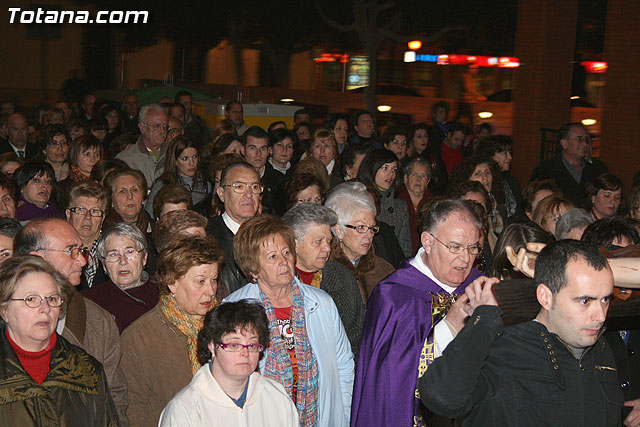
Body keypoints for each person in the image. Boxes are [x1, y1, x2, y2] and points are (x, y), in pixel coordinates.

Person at [419, 240, 623, 426]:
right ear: (545, 297)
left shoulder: (602, 351)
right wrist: (483, 323)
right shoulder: (504, 349)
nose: (600, 316)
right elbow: (441, 398)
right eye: (585, 301)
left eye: (605, 300)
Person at [351, 198, 485, 427]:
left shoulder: (477, 284)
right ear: (428, 241)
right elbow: (389, 380)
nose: (465, 259)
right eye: (455, 247)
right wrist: (449, 326)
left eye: (473, 248)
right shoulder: (393, 296)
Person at [225, 214, 354, 426]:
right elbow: (228, 382)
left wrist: (345, 416)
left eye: (286, 252)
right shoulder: (234, 311)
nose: (284, 262)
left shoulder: (321, 303)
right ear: (252, 268)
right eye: (272, 257)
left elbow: (344, 365)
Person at [13, 218, 128, 422]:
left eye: (81, 251)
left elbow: (114, 399)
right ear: (37, 259)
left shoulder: (99, 321)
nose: (83, 261)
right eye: (71, 251)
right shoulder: (8, 317)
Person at [0, 255, 119, 424]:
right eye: (31, 299)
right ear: (5, 309)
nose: (45, 308)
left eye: (52, 299)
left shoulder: (87, 370)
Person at [120, 236, 223, 426]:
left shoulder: (225, 324)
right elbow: (133, 408)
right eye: (200, 281)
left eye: (214, 280)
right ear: (172, 282)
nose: (210, 290)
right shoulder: (139, 337)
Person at [159, 300, 299, 426]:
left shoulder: (276, 397)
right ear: (212, 346)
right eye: (234, 345)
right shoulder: (185, 408)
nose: (245, 353)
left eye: (252, 345)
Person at [282, 203, 364, 356]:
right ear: (294, 244)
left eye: (328, 241)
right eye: (318, 241)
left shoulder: (342, 278)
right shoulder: (278, 281)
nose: (327, 248)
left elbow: (356, 339)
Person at [82, 223, 159, 333]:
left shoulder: (162, 296)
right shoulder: (88, 302)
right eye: (113, 254)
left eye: (130, 252)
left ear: (144, 258)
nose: (122, 261)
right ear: (104, 264)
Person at [325, 181, 395, 302]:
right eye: (360, 227)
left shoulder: (384, 271)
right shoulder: (323, 271)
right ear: (339, 230)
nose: (369, 235)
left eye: (372, 228)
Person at [207, 162, 261, 294]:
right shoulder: (206, 235)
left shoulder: (271, 234)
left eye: (254, 187)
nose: (249, 195)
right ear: (221, 193)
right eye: (239, 187)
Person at [531, 122, 608, 207]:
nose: (585, 144)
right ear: (564, 143)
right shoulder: (546, 171)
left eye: (586, 140)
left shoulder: (596, 170)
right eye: (579, 139)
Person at [357, 148, 412, 257]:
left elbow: (405, 250)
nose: (390, 174)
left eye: (394, 169)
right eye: (385, 168)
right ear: (372, 168)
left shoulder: (400, 207)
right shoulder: (359, 202)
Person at [145, 135, 212, 218]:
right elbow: (149, 216)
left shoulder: (206, 186)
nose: (192, 163)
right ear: (175, 161)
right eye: (185, 159)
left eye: (195, 157)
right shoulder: (162, 185)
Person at [65, 182, 109, 289]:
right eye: (81, 210)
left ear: (102, 218)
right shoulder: (56, 250)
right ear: (68, 214)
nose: (88, 217)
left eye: (94, 211)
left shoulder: (111, 250)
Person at [475, 134, 525, 223]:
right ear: (490, 155)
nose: (510, 157)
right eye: (504, 153)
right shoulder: (483, 183)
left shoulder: (512, 182)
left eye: (510, 152)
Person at [116, 104, 168, 187]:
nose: (162, 131)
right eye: (156, 126)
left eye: (165, 126)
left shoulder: (174, 154)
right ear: (142, 127)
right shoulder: (125, 159)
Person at [451, 156, 506, 235]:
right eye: (478, 174)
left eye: (487, 173)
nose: (485, 178)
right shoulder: (460, 207)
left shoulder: (501, 209)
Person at [243, 126, 285, 215]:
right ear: (243, 150)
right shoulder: (233, 178)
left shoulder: (279, 181)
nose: (258, 154)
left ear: (269, 151)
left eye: (263, 148)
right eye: (252, 148)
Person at [398, 157, 432, 254]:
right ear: (405, 178)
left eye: (423, 176)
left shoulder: (434, 204)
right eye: (414, 174)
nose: (418, 179)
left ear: (428, 181)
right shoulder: (396, 201)